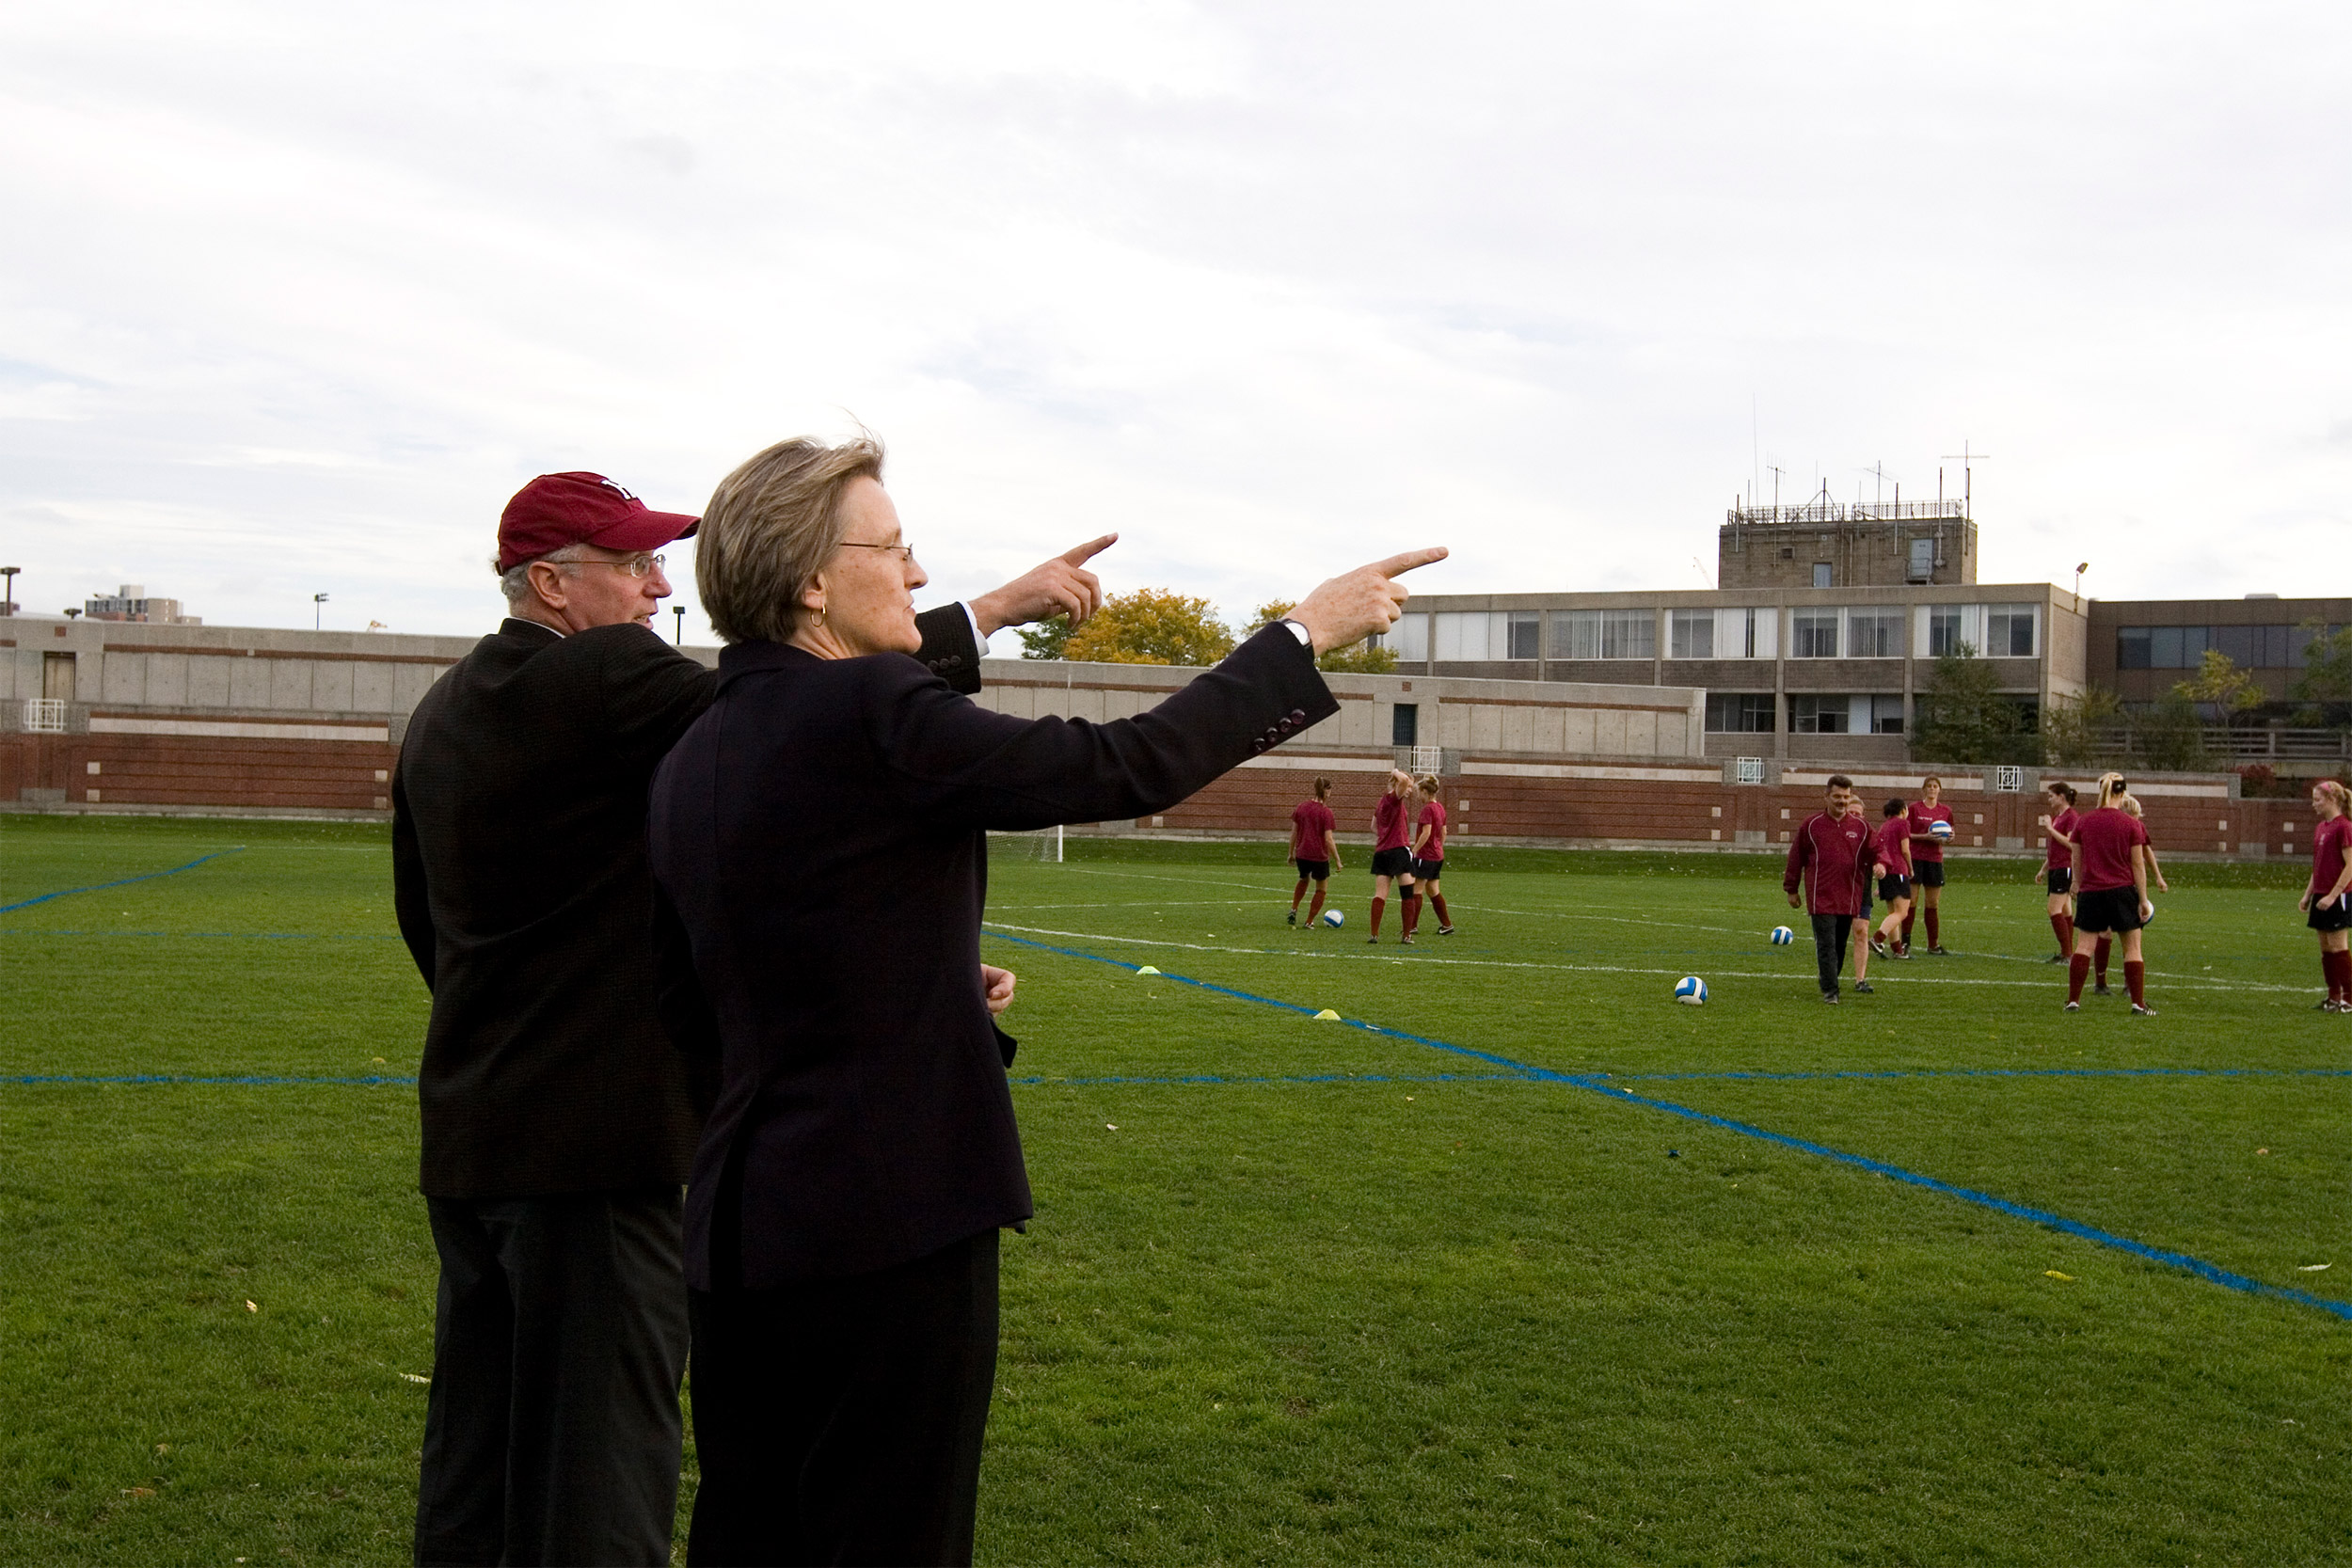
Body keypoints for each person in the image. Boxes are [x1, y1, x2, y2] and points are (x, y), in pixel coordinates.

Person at [644, 431, 1443, 1567]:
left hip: (737, 1227)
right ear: (813, 578)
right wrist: (1302, 633)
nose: (917, 575)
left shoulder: (699, 742)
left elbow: (702, 985)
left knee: (755, 1528)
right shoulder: (869, 704)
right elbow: (1118, 764)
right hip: (888, 1222)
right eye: (898, 548)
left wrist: (900, 978)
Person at [392, 468, 1119, 1567]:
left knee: (478, 1459)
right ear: (549, 582)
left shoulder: (446, 706)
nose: (655, 586)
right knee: (602, 1469)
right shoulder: (607, 673)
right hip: (600, 1146)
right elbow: (784, 702)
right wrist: (993, 610)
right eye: (630, 564)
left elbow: (421, 919)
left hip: (472, 1130)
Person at [2063, 771, 2154, 1015]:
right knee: (2133, 949)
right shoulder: (2131, 824)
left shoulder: (2084, 821)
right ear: (2122, 793)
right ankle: (2138, 1004)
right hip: (2122, 891)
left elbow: (2077, 858)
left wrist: (2077, 885)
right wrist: (2143, 899)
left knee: (2084, 947)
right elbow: (2137, 865)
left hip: (2092, 892)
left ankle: (2073, 1001)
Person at [1784, 774, 1872, 1004]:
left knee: (1839, 945)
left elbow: (1877, 849)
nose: (1842, 801)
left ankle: (1829, 979)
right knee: (1826, 944)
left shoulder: (1861, 827)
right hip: (1820, 897)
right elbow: (1796, 858)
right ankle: (1831, 991)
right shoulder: (1811, 825)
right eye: (1837, 796)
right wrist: (1791, 888)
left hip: (1847, 896)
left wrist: (1883, 863)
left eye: (1846, 796)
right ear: (1826, 797)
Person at [2093, 794, 2169, 993]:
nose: (2135, 819)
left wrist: (2158, 877)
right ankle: (2100, 982)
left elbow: (2146, 853)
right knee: (2105, 932)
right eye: (2131, 815)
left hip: (2129, 887)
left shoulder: (2137, 827)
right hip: (2107, 886)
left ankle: (2129, 984)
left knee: (2131, 939)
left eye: (2137, 816)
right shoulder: (2109, 827)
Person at [2300, 779, 2352, 1011]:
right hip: (2321, 895)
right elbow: (2318, 866)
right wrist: (2308, 894)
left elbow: (2350, 865)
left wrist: (2333, 895)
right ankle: (2333, 996)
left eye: (2317, 799)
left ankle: (2349, 998)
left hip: (2337, 896)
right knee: (2325, 948)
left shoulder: (2344, 827)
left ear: (2332, 800)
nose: (2314, 804)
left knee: (2338, 946)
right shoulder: (2321, 827)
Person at [1905, 774, 1955, 954]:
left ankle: (1933, 945)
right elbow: (1906, 834)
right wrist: (1924, 837)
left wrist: (1950, 838)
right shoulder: (1914, 809)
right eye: (1929, 786)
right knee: (1911, 902)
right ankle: (1905, 943)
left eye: (1935, 786)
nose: (1932, 789)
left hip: (1934, 860)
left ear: (1940, 790)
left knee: (1932, 904)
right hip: (1915, 858)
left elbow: (1949, 833)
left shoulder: (1945, 811)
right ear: (1924, 789)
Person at [1400, 772, 1454, 939]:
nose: (1417, 795)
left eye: (1419, 792)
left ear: (1425, 792)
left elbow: (1426, 832)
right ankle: (1446, 924)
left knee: (1416, 890)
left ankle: (1412, 926)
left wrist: (1415, 850)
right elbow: (1443, 832)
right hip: (1437, 856)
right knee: (1433, 890)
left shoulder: (1427, 810)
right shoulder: (1440, 808)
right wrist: (1439, 846)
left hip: (1425, 856)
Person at [1367, 768, 1416, 943]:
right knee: (1408, 894)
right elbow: (1402, 780)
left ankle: (1374, 934)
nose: (1409, 790)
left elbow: (1374, 827)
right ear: (1397, 785)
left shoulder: (1381, 802)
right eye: (1409, 786)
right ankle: (1406, 935)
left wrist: (1385, 836)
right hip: (1398, 850)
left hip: (1382, 852)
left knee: (1380, 894)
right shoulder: (1394, 798)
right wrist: (1396, 771)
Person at [2035, 782, 2081, 963]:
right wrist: (2043, 869)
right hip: (2056, 867)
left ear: (2061, 797)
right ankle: (2067, 953)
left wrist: (2050, 829)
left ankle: (2067, 954)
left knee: (2053, 909)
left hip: (2065, 868)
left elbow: (2071, 843)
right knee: (2065, 910)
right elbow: (2054, 848)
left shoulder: (2071, 817)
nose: (2049, 799)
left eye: (2051, 796)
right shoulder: (2058, 817)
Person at [1287, 777, 1343, 927]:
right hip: (1319, 856)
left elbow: (1294, 833)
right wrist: (1337, 859)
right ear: (1327, 791)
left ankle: (1294, 908)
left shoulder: (1301, 807)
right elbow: (1328, 839)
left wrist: (1290, 853)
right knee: (1321, 889)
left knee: (1304, 879)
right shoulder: (1326, 812)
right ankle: (1309, 921)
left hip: (1302, 853)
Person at [1868, 797, 1914, 962]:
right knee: (1902, 912)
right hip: (1898, 870)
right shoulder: (1902, 824)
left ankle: (1898, 950)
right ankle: (1877, 939)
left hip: (1885, 870)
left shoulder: (1884, 826)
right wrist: (1910, 868)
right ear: (1903, 810)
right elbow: (1905, 849)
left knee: (1892, 913)